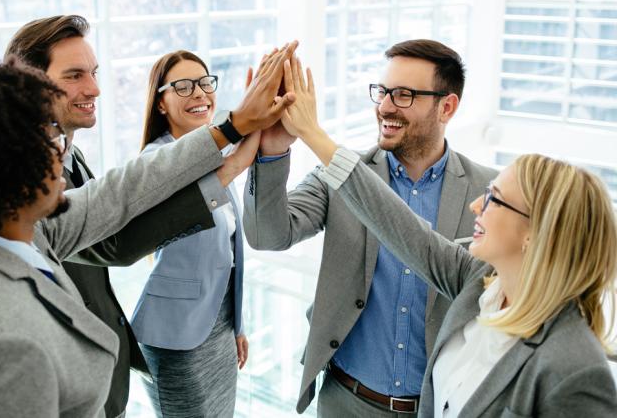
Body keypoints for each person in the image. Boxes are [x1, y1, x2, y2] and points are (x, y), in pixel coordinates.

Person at [0, 49, 293, 417]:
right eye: (50, 135)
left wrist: (234, 129)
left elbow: (119, 192)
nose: (62, 148)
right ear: (5, 165)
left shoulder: (2, 230)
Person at [275, 53, 617, 417]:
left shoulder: (577, 367)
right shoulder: (476, 282)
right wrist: (308, 136)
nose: (476, 206)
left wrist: (314, 133)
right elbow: (396, 223)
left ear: (535, 234)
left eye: (494, 199)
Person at [4, 15, 245, 418]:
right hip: (76, 381)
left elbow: (112, 236)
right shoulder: (21, 182)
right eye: (75, 75)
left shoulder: (70, 154)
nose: (95, 88)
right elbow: (118, 223)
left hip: (108, 367)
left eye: (94, 73)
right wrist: (234, 140)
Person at [243, 39, 497, 416]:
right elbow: (267, 235)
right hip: (345, 402)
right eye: (382, 92)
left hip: (437, 408)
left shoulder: (487, 194)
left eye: (404, 95)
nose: (385, 106)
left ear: (447, 106)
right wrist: (274, 150)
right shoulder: (338, 176)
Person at [131, 50, 249, 417]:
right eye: (182, 86)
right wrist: (253, 115)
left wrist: (237, 325)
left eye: (204, 82)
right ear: (161, 103)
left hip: (219, 324)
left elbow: (227, 256)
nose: (199, 93)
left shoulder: (214, 155)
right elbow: (235, 162)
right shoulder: (156, 160)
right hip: (175, 337)